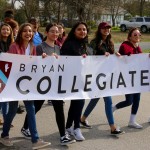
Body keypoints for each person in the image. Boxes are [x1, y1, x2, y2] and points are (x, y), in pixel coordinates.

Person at [21, 23, 75, 145]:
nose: (55, 34)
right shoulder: (40, 47)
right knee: (37, 106)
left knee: (59, 108)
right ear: (46, 33)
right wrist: (44, 59)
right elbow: (34, 64)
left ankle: (63, 136)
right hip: (42, 83)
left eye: (57, 32)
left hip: (54, 83)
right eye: (52, 31)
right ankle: (25, 127)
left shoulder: (57, 48)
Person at [0, 23, 51, 150]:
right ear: (20, 33)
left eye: (30, 31)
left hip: (26, 84)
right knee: (12, 110)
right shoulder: (14, 46)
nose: (28, 33)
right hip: (13, 83)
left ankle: (35, 139)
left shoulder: (33, 47)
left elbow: (33, 63)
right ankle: (4, 135)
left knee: (31, 108)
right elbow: (8, 65)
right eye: (25, 31)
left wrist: (42, 58)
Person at [80, 22, 124, 136]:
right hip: (96, 75)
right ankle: (112, 127)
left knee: (95, 99)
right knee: (108, 100)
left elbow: (111, 58)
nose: (107, 30)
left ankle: (83, 119)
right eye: (104, 28)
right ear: (100, 30)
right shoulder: (94, 42)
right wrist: (101, 56)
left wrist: (116, 55)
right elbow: (89, 56)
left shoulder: (110, 42)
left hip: (106, 75)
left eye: (108, 28)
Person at [60, 22, 91, 141]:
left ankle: (69, 126)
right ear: (74, 31)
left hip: (83, 79)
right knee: (79, 103)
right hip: (72, 80)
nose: (82, 31)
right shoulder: (68, 45)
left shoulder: (85, 44)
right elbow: (65, 62)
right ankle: (77, 128)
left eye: (84, 29)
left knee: (76, 104)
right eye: (79, 29)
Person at [112, 27, 143, 129]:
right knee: (129, 101)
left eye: (139, 35)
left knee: (137, 99)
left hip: (137, 78)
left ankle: (132, 121)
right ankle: (113, 107)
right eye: (135, 35)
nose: (138, 36)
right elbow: (125, 54)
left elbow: (141, 59)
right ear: (130, 37)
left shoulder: (138, 47)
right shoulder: (125, 45)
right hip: (127, 78)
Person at [0, 23, 14, 126]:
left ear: (10, 32)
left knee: (6, 97)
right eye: (3, 29)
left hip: (9, 72)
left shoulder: (13, 44)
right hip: (0, 72)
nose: (5, 31)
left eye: (7, 30)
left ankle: (6, 119)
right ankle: (5, 119)